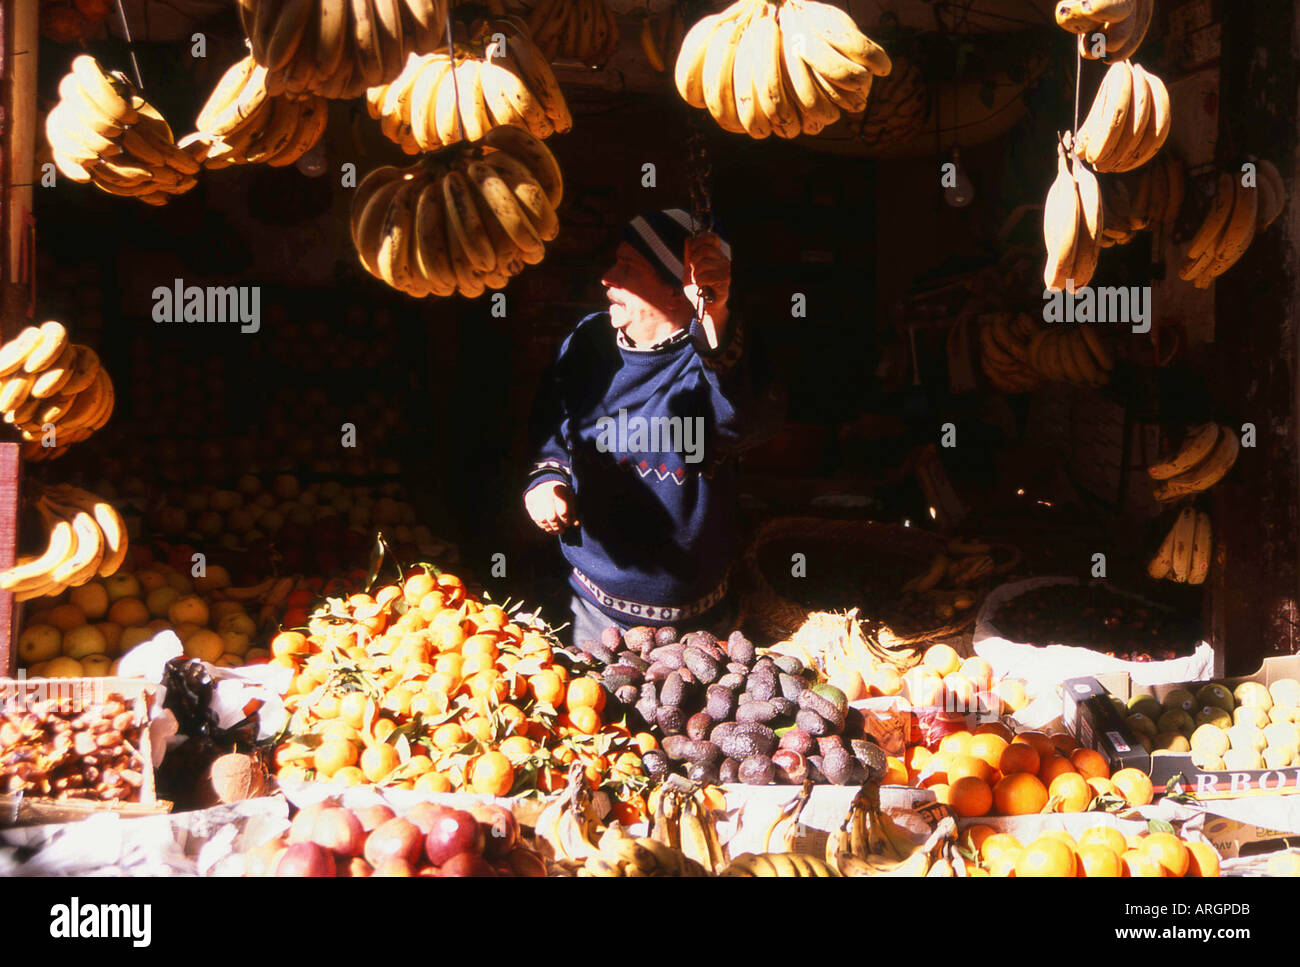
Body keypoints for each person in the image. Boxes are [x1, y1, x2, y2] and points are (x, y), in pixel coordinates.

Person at [524, 208, 768, 646]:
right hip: (593, 613)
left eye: (627, 269)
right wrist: (548, 478)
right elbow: (553, 424)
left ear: (678, 294)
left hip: (699, 627)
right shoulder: (588, 343)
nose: (606, 278)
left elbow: (744, 423)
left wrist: (716, 318)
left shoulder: (716, 359)